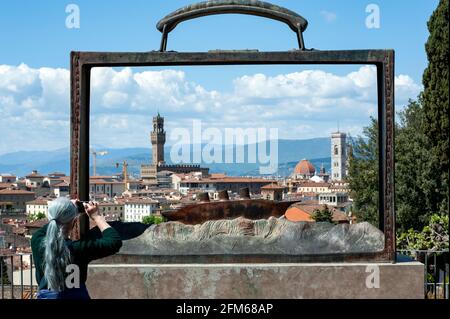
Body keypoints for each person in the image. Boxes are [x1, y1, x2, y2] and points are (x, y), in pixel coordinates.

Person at [31, 197, 122, 299]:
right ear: (74, 222)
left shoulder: (37, 241)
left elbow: (52, 223)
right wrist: (97, 217)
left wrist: (65, 210)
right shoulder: (78, 248)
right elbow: (114, 241)